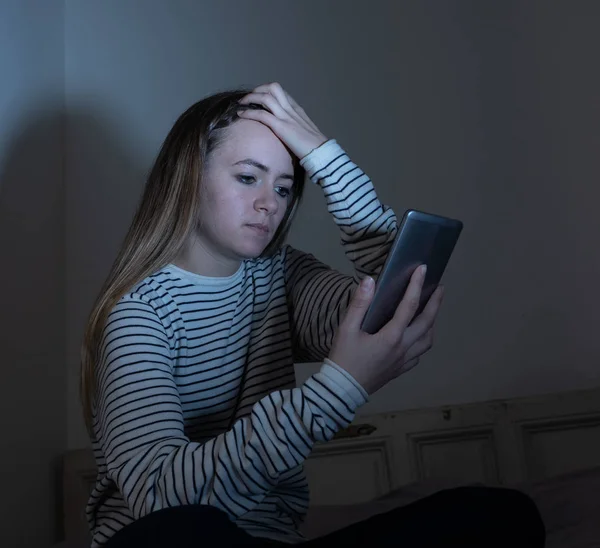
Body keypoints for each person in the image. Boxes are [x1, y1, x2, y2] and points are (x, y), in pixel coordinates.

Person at [81, 83, 545, 547]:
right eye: (248, 178)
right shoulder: (139, 315)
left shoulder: (280, 276)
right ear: (188, 176)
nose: (270, 204)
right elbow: (159, 500)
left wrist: (324, 157)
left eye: (284, 188)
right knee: (187, 529)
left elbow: (394, 297)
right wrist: (339, 388)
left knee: (501, 515)